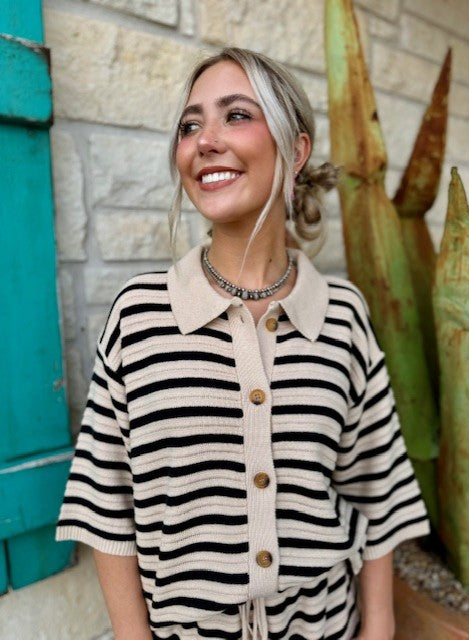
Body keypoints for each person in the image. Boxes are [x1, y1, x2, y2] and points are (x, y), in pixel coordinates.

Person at [56, 47, 430, 640]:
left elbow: (375, 489)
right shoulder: (140, 315)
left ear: (295, 150)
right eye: (190, 126)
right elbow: (106, 503)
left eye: (235, 115)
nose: (205, 141)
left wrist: (378, 627)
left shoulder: (342, 315)